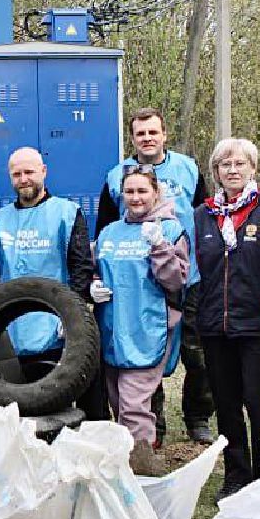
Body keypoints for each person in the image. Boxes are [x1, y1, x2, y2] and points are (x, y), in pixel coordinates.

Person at [96, 107, 212, 444]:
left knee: (197, 354)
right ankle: (153, 423)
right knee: (143, 353)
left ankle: (198, 416)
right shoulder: (116, 175)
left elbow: (204, 216)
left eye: (153, 132)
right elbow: (106, 227)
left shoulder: (187, 168)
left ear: (164, 135)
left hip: (186, 277)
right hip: (138, 282)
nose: (147, 138)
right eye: (140, 133)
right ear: (132, 137)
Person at [0, 147, 105, 419]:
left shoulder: (67, 213)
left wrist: (73, 316)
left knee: (67, 406)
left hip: (58, 329)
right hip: (13, 331)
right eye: (17, 174)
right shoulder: (0, 221)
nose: (23, 179)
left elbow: (81, 267)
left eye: (29, 172)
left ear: (43, 172)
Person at [191, 138, 260, 496]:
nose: (232, 170)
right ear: (215, 171)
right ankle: (236, 474)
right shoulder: (204, 214)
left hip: (259, 325)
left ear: (253, 168)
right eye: (225, 165)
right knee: (226, 405)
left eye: (240, 164)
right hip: (215, 325)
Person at [92, 169, 191, 475]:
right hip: (111, 330)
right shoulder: (109, 233)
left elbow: (175, 281)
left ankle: (141, 476)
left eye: (142, 191)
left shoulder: (171, 231)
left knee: (134, 408)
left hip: (147, 331)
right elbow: (99, 270)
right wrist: (93, 285)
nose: (135, 198)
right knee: (119, 405)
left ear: (155, 194)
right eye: (129, 192)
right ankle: (124, 468)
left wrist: (160, 247)